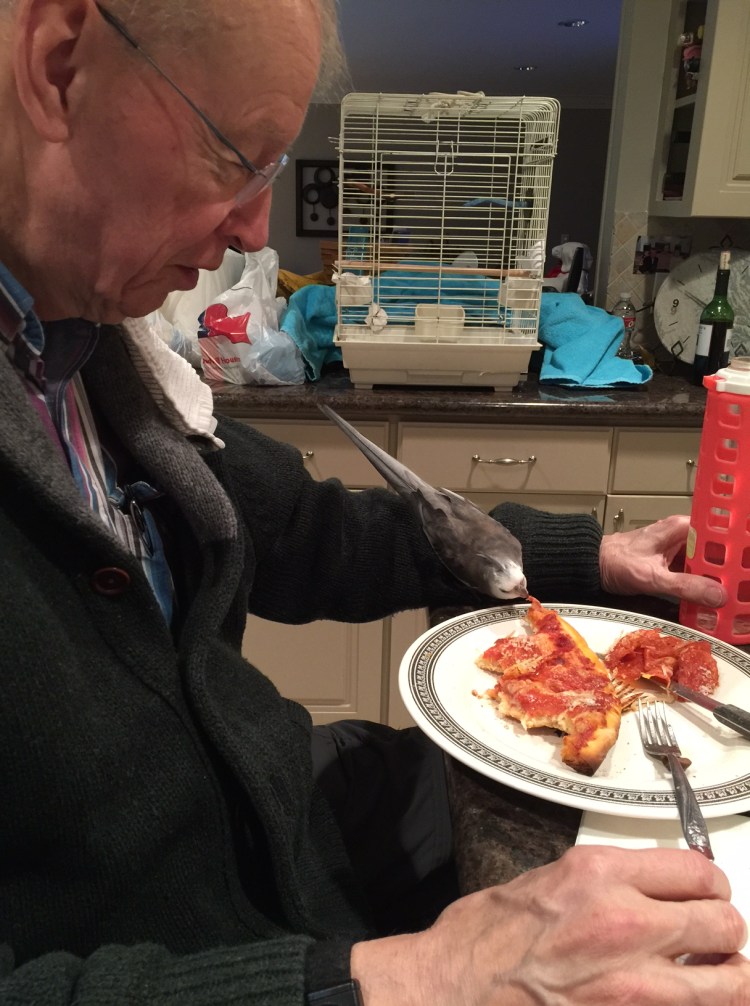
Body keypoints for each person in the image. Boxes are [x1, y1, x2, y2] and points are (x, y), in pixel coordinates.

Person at [0, 1, 746, 1004]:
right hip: (201, 951)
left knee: (640, 837)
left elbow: (321, 532)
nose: (255, 231)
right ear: (58, 65)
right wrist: (418, 973)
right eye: (238, 158)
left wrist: (594, 556)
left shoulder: (89, 351)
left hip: (277, 820)